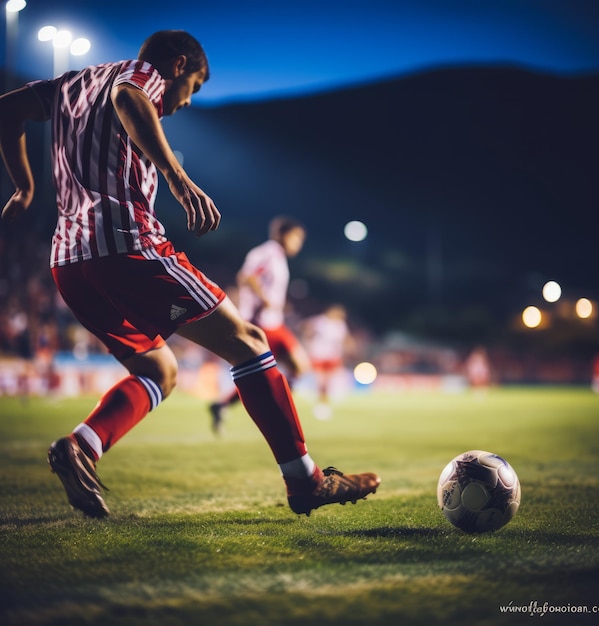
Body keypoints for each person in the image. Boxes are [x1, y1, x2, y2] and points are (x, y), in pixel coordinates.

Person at [0, 30, 380, 518]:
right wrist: (180, 183)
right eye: (194, 87)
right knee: (248, 341)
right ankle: (306, 482)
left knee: (159, 370)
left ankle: (82, 446)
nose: (185, 102)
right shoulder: (139, 76)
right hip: (126, 247)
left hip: (68, 262)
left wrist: (25, 186)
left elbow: (6, 109)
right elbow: (128, 95)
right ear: (179, 66)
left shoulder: (71, 83)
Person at [208, 216, 311, 434]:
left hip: (274, 322)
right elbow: (246, 277)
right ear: (283, 234)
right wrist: (263, 299)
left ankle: (223, 405)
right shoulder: (267, 252)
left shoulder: (278, 257)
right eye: (297, 238)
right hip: (260, 323)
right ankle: (278, 408)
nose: (298, 244)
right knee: (272, 373)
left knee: (289, 369)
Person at [301, 304, 354, 420]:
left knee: (329, 382)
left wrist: (348, 347)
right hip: (319, 354)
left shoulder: (340, 325)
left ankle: (324, 403)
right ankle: (321, 403)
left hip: (333, 356)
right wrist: (308, 339)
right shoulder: (321, 321)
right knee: (321, 381)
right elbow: (306, 326)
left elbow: (345, 338)